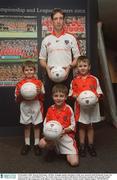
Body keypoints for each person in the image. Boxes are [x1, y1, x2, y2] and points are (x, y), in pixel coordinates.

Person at [39, 8, 80, 114]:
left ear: (63, 20)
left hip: (67, 74)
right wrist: (48, 69)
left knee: (68, 101)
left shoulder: (71, 38)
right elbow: (42, 60)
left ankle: (68, 129)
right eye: (56, 18)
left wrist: (69, 67)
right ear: (52, 21)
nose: (58, 21)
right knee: (49, 101)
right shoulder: (46, 40)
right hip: (50, 75)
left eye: (61, 18)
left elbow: (77, 58)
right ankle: (49, 128)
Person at [69, 56, 103, 157]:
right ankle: (82, 146)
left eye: (85, 65)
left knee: (90, 126)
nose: (82, 68)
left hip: (92, 107)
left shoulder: (94, 79)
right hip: (80, 107)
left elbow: (99, 92)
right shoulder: (74, 81)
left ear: (89, 67)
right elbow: (71, 94)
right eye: (80, 66)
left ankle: (91, 145)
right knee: (82, 126)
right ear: (77, 68)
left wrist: (97, 95)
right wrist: (74, 95)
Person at [39, 84, 79, 167]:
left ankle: (65, 151)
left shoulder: (68, 109)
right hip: (53, 137)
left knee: (74, 163)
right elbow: (45, 124)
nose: (58, 98)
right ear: (52, 97)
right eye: (56, 96)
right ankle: (52, 150)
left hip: (65, 137)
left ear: (65, 97)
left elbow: (73, 125)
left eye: (61, 96)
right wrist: (47, 133)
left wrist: (64, 130)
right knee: (41, 143)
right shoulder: (50, 109)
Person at [15, 61, 45, 156]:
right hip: (25, 105)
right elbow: (16, 97)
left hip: (36, 104)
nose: (29, 72)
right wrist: (20, 94)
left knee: (36, 125)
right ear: (23, 71)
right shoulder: (20, 84)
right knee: (27, 125)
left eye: (31, 70)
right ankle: (27, 144)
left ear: (34, 71)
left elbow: (43, 95)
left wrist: (40, 92)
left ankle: (36, 145)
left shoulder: (39, 83)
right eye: (26, 70)